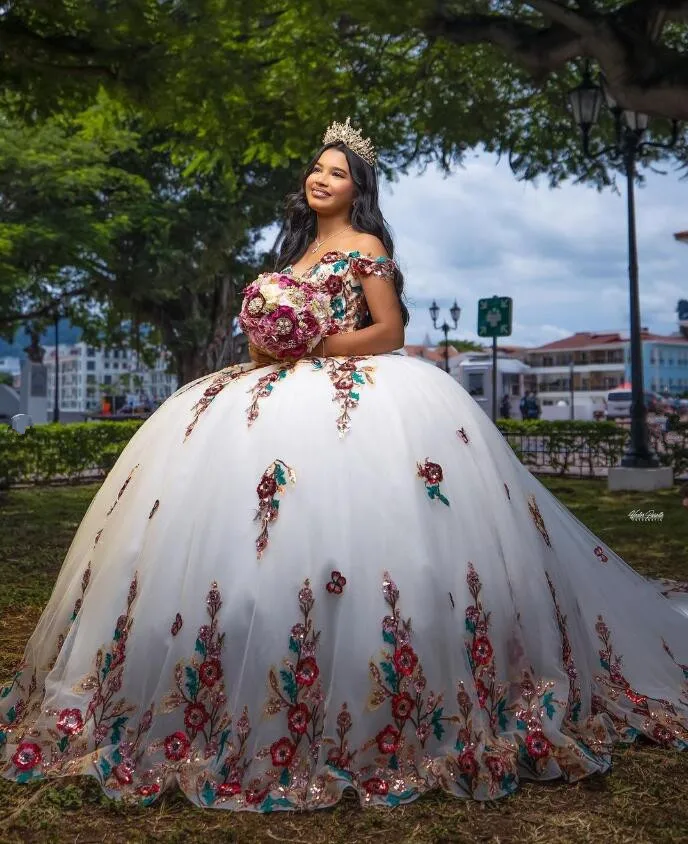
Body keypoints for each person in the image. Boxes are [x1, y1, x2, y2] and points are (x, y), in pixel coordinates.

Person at [2, 118, 687, 812]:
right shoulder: (294, 254)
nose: (320, 178)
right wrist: (272, 344)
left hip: (351, 388)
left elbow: (389, 331)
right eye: (317, 169)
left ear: (358, 189)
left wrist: (316, 343)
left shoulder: (367, 246)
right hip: (274, 386)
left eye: (337, 172)